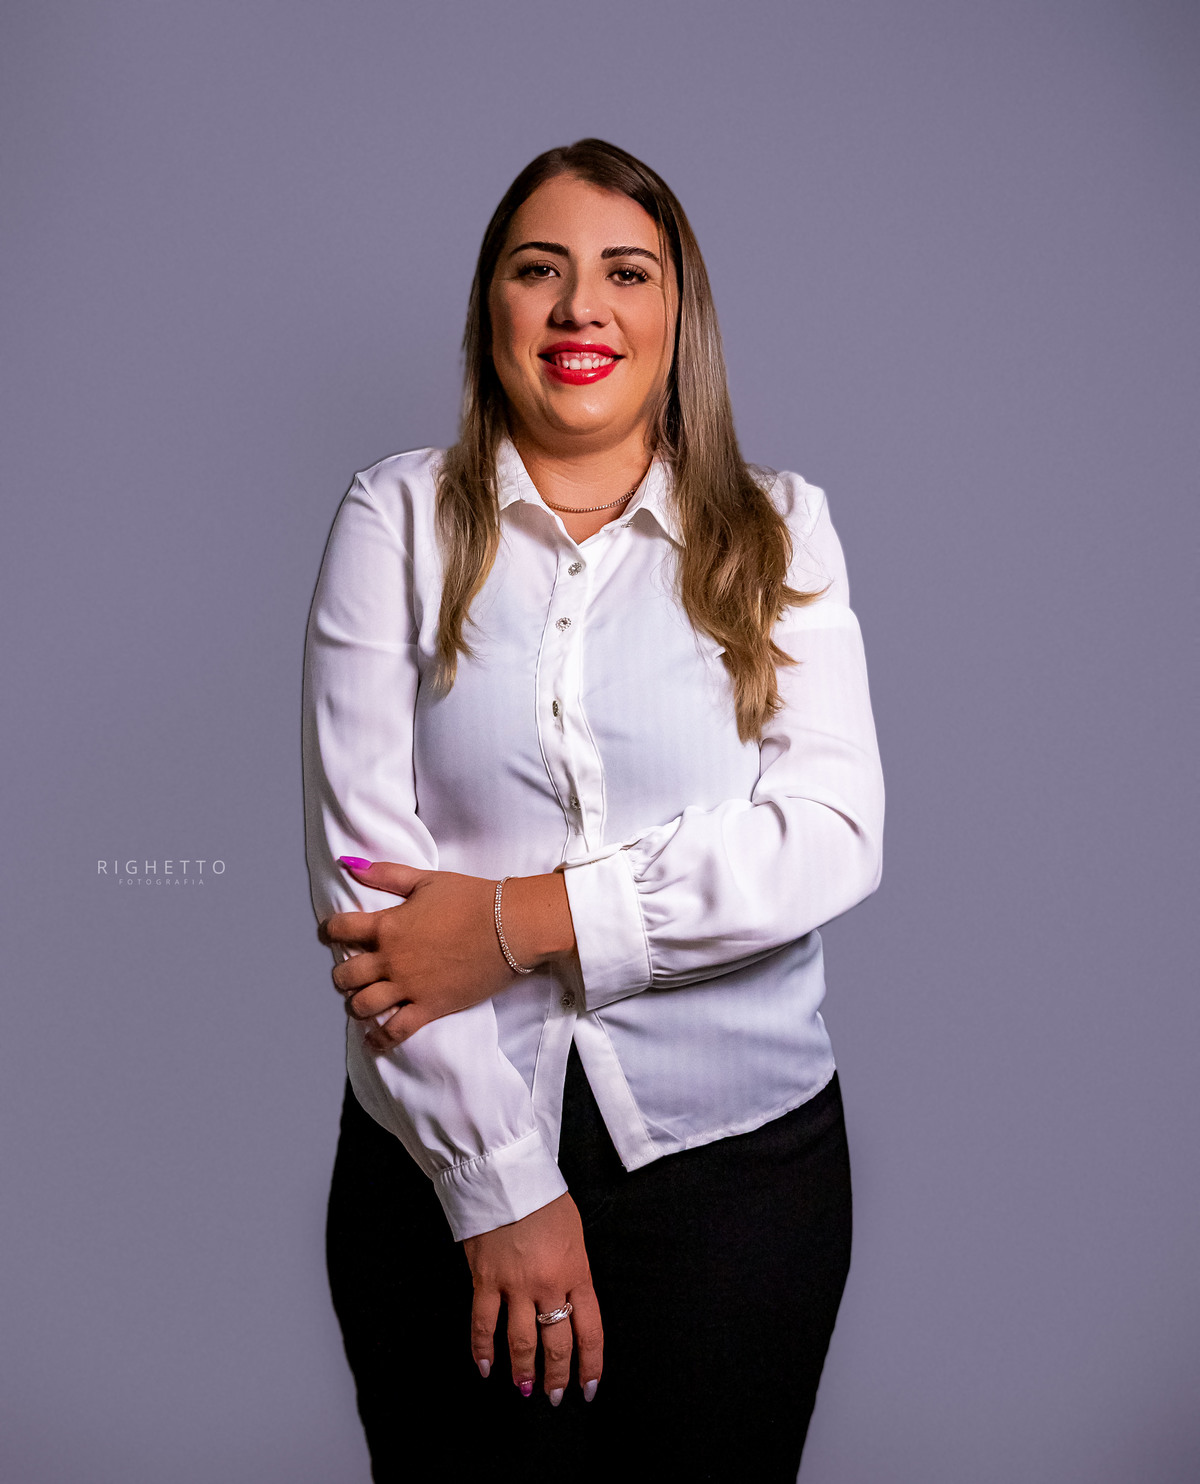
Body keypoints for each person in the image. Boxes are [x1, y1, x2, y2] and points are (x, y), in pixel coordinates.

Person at [301, 137, 884, 1482]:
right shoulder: (395, 520)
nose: (581, 309)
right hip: (432, 1167)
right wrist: (498, 1187)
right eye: (539, 270)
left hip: (743, 1178)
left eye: (627, 272)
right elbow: (367, 896)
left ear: (679, 315)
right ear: (490, 305)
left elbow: (832, 833)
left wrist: (524, 920)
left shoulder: (782, 530)